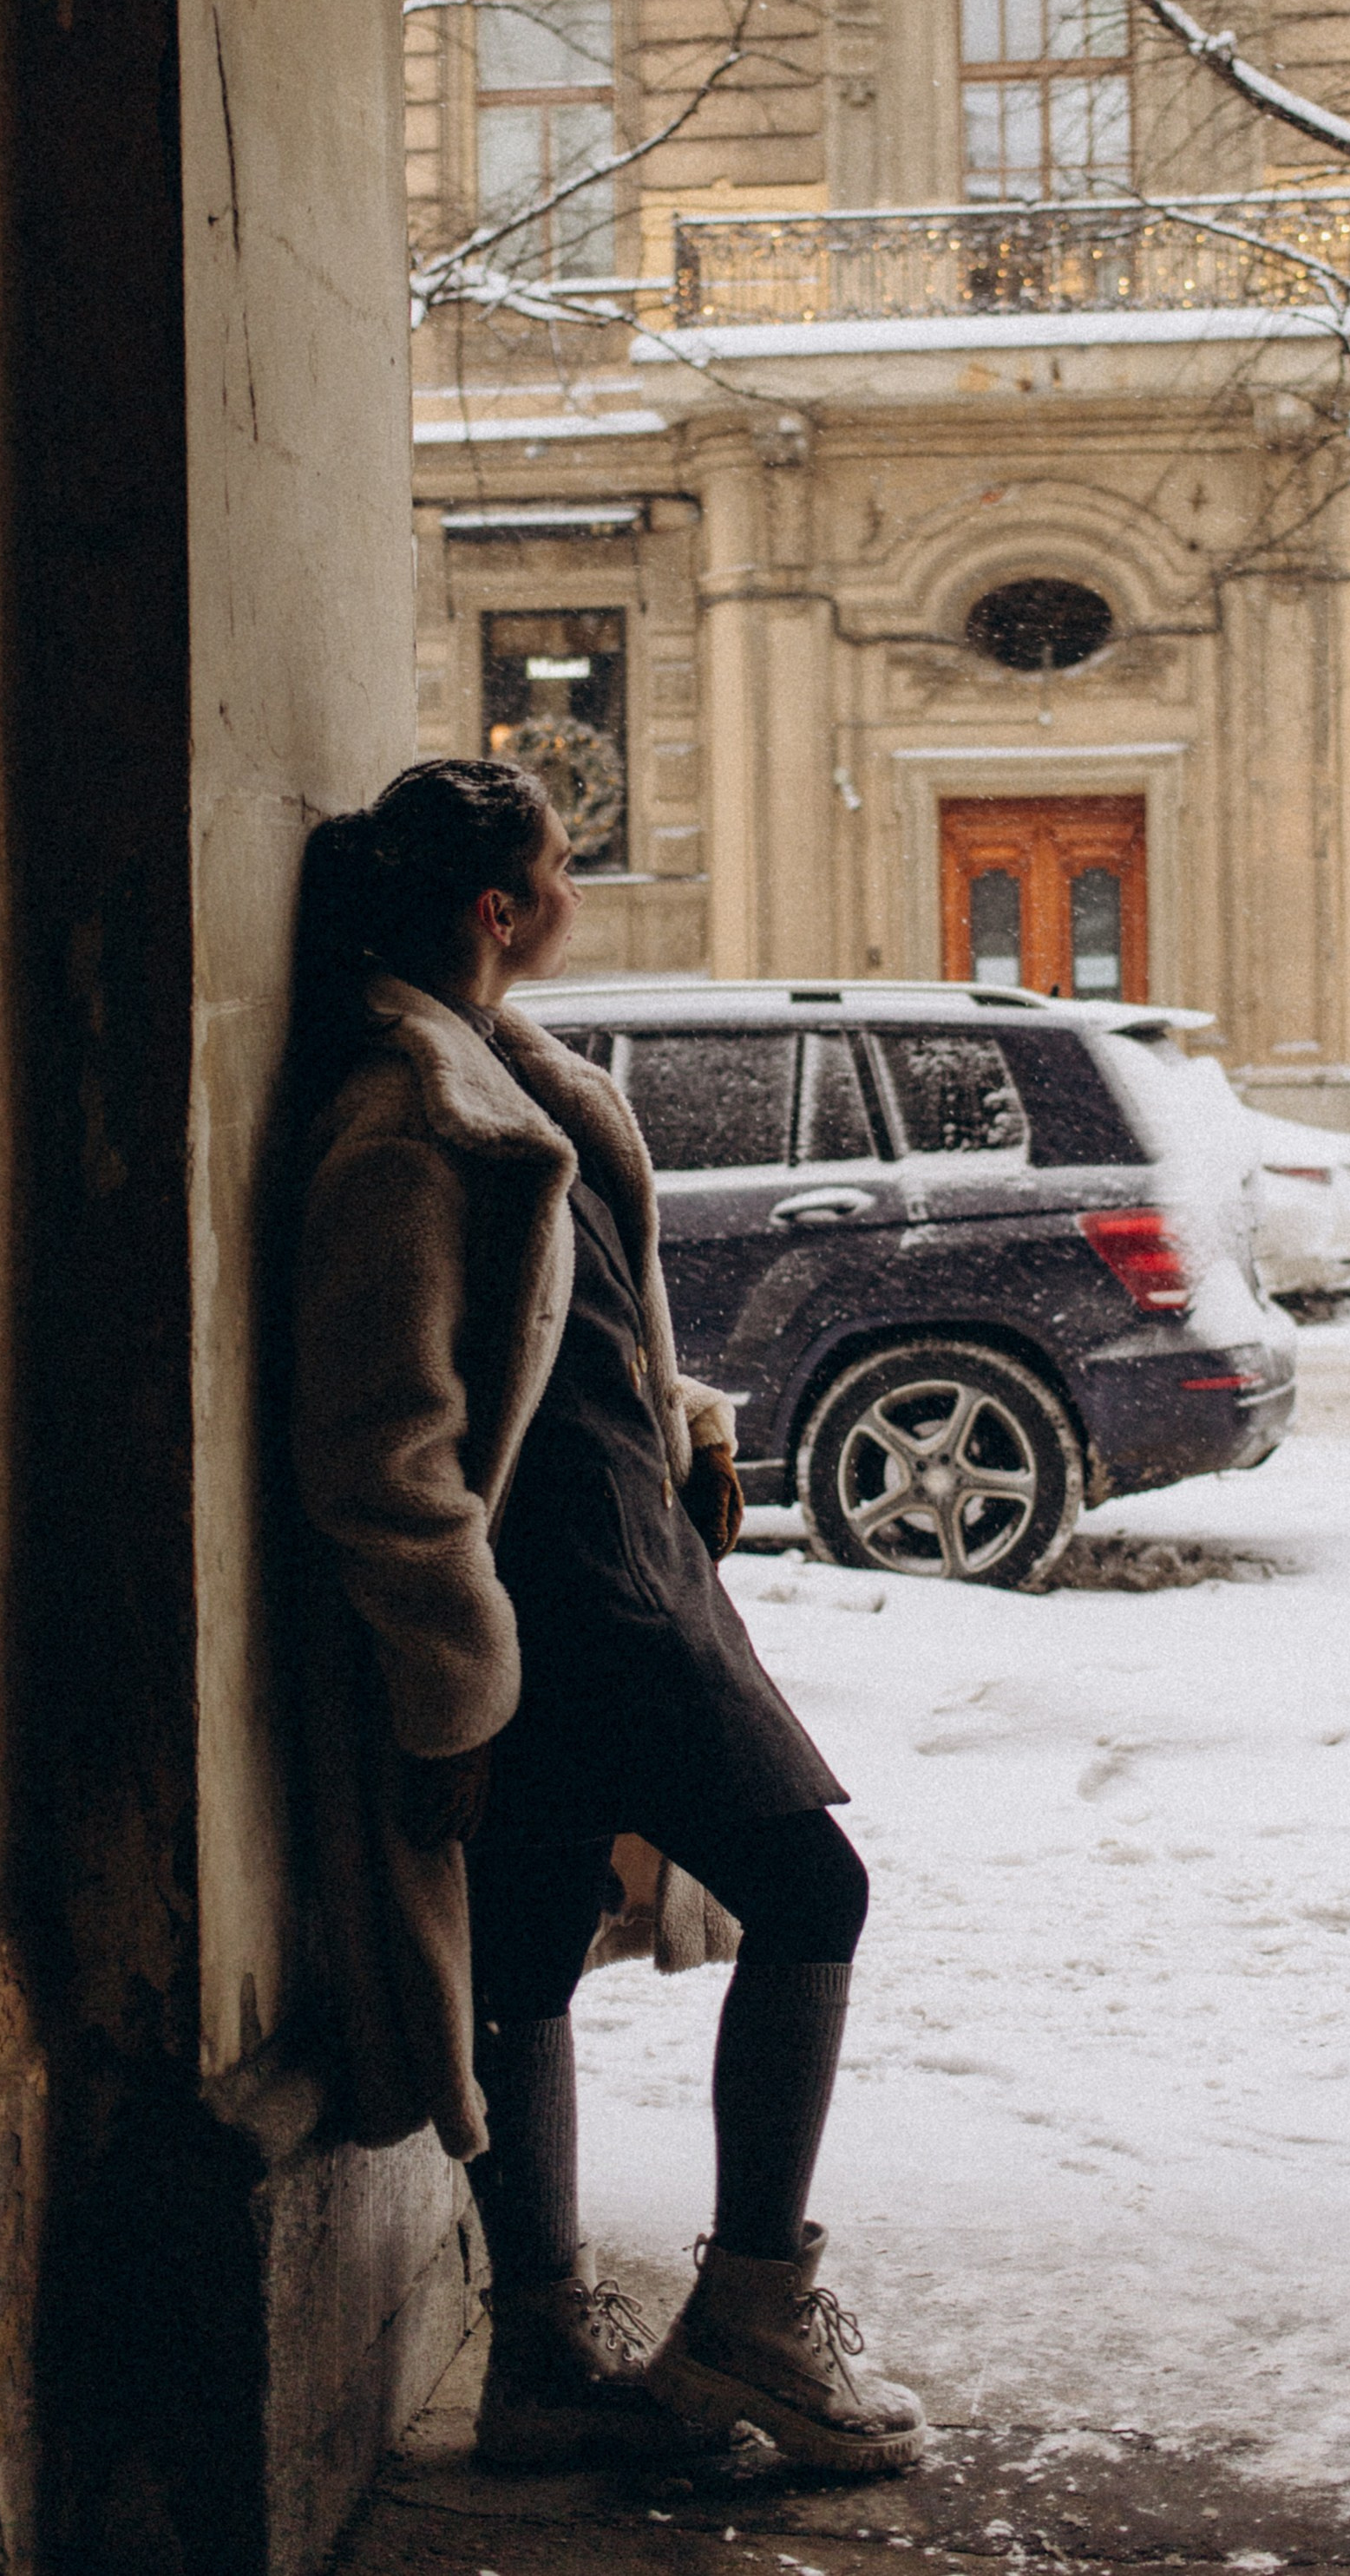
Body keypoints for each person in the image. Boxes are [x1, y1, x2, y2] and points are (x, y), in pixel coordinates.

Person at [287, 755, 923, 2478]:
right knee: (813, 1885)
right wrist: (454, 1689)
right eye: (565, 866)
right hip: (573, 1605)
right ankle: (755, 2310)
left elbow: (562, 1337)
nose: (580, 889)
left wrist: (678, 1413)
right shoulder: (411, 1123)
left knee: (526, 1938)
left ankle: (545, 2349)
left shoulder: (508, 1079)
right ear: (501, 908)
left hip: (609, 1564)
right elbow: (382, 1445)